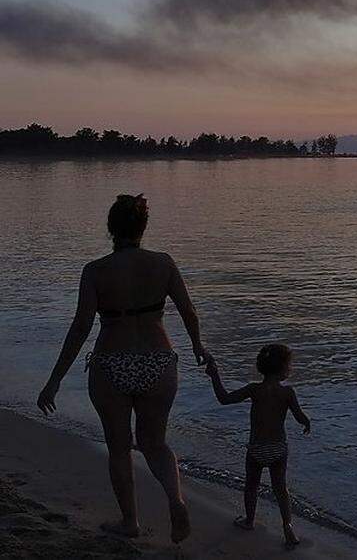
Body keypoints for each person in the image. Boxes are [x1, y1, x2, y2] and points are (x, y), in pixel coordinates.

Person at [37, 193, 207, 543]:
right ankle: (175, 499)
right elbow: (189, 311)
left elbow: (81, 327)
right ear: (143, 227)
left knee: (119, 446)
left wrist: (54, 381)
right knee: (155, 443)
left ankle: (130, 521)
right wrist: (197, 346)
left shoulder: (96, 271)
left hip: (112, 362)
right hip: (158, 360)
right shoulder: (163, 263)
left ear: (110, 229)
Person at [205, 344, 311, 548]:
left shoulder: (254, 389)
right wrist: (307, 422)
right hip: (278, 448)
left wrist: (214, 375)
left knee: (251, 486)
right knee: (281, 489)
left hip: (256, 449)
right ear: (282, 369)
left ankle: (249, 520)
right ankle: (288, 526)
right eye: (290, 365)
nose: (291, 369)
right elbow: (299, 417)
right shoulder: (288, 392)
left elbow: (224, 398)